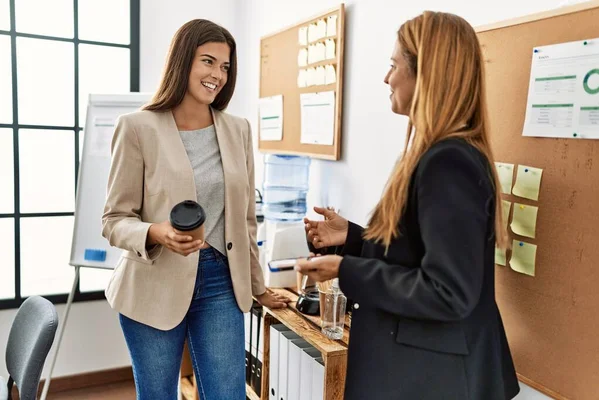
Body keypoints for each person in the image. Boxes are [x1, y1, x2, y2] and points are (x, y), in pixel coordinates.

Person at [296, 11, 520, 400]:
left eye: (393, 65)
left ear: (426, 75)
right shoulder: (440, 154)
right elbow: (420, 256)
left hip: (434, 377)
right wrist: (352, 238)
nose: (387, 78)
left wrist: (347, 270)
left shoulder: (448, 162)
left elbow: (447, 290)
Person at [102, 19, 288, 400]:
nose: (217, 75)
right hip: (153, 283)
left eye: (225, 67)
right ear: (183, 61)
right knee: (157, 395)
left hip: (221, 281)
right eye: (208, 61)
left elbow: (246, 222)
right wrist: (156, 232)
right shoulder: (137, 127)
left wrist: (258, 288)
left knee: (227, 395)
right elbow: (114, 220)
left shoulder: (238, 130)